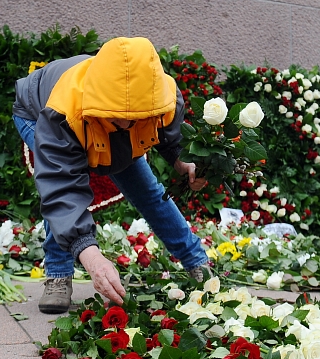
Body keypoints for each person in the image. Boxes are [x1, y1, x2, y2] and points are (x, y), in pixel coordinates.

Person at [12, 37, 211, 313]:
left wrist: (181, 160)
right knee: (60, 189)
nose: (128, 123)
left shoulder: (160, 94)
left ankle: (198, 263)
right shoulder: (61, 115)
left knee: (149, 192)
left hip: (96, 119)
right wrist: (92, 257)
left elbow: (168, 133)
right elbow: (61, 187)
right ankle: (58, 274)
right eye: (120, 116)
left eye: (137, 116)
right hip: (36, 112)